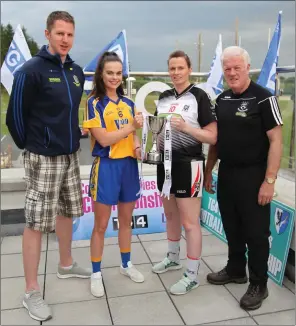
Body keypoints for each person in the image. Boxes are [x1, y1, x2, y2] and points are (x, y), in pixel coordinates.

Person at [6, 11, 91, 322]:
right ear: (47, 34)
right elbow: (13, 118)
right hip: (43, 159)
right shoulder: (31, 71)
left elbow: (66, 113)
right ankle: (31, 291)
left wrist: (73, 131)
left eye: (69, 34)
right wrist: (35, 145)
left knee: (67, 211)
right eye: (60, 34)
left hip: (70, 156)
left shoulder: (76, 72)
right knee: (37, 223)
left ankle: (65, 264)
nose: (65, 39)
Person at [205, 46, 283, 310]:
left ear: (248, 68)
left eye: (237, 67)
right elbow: (215, 142)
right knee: (232, 226)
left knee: (256, 233)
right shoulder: (222, 100)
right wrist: (208, 171)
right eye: (227, 68)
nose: (231, 73)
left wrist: (269, 181)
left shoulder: (264, 97)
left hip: (255, 174)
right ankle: (236, 269)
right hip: (227, 172)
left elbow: (276, 141)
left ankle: (259, 284)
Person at [151, 50, 217, 295]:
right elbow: (158, 132)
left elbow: (212, 136)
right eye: (172, 68)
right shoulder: (165, 96)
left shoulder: (200, 96)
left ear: (189, 69)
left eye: (180, 68)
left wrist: (187, 128)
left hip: (190, 165)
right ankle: (172, 257)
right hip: (165, 164)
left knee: (190, 223)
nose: (176, 72)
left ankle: (191, 274)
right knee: (171, 216)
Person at [83, 51, 145, 298]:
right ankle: (96, 273)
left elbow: (134, 135)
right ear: (101, 74)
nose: (114, 77)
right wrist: (132, 127)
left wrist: (138, 145)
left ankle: (126, 264)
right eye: (110, 72)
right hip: (107, 167)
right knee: (101, 225)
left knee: (126, 221)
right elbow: (103, 138)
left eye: (119, 73)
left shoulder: (128, 103)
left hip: (128, 167)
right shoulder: (93, 103)